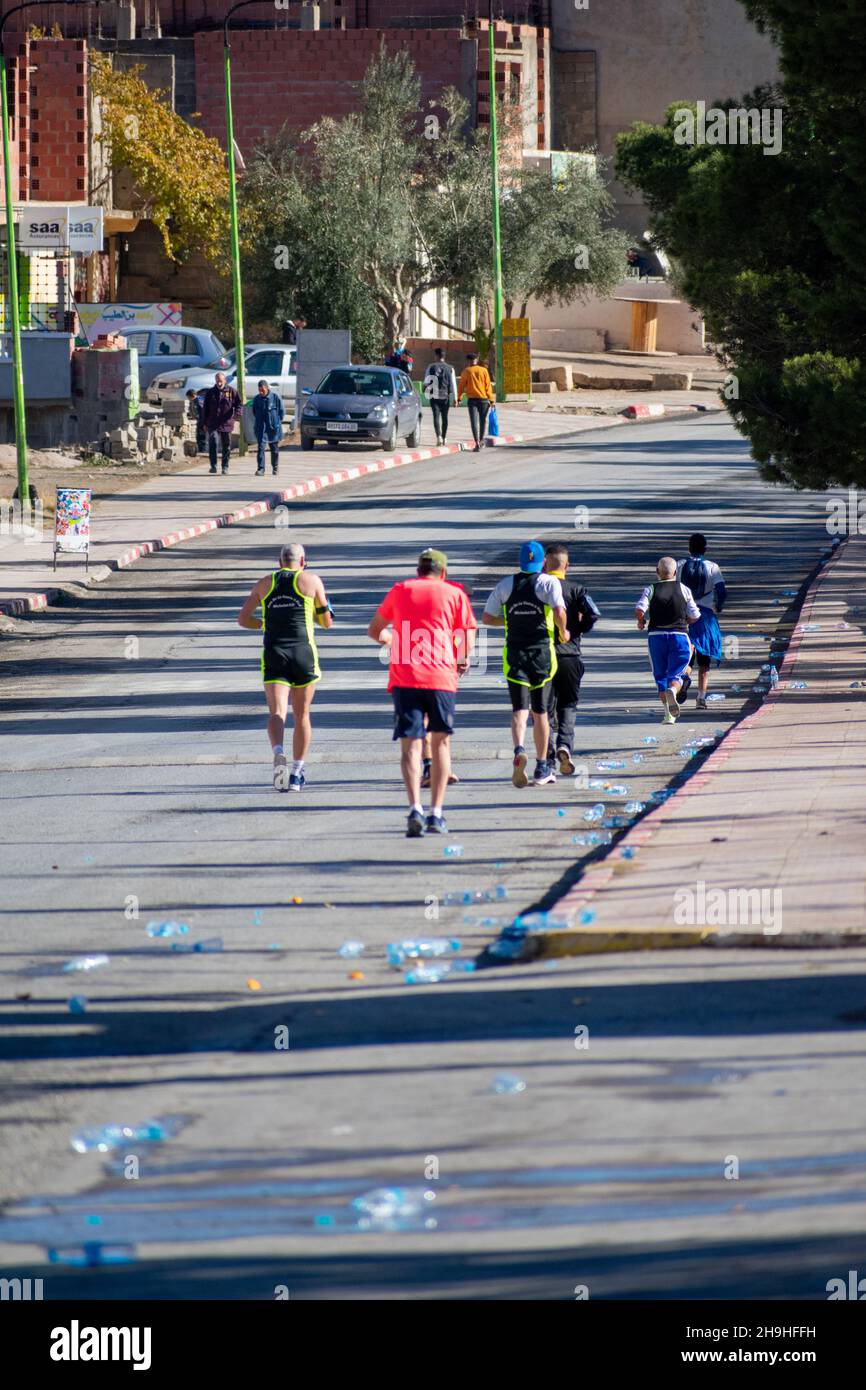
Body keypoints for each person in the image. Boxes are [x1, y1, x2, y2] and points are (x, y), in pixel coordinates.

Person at [368, 547, 476, 837]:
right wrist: (462, 659)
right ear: (443, 573)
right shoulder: (455, 594)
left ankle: (414, 807)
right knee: (441, 744)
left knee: (411, 746)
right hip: (442, 678)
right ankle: (436, 814)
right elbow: (467, 633)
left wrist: (393, 640)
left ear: (418, 571)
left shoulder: (400, 590)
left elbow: (375, 629)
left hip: (405, 678)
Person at [237, 542, 333, 790]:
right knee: (302, 715)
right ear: (302, 562)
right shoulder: (311, 581)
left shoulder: (264, 583)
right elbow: (326, 622)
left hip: (274, 653)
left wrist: (265, 624)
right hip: (303, 653)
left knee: (277, 712)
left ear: (279, 562)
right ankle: (297, 773)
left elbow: (243, 619)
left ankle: (278, 751)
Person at [482, 541, 569, 787]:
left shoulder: (505, 585)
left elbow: (487, 617)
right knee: (541, 712)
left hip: (514, 654)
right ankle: (542, 766)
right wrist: (564, 631)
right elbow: (560, 612)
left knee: (519, 709)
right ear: (542, 562)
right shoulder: (548, 582)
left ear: (519, 562)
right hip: (542, 653)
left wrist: (509, 622)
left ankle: (519, 748)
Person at [541, 542, 601, 776]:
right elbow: (594, 613)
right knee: (568, 704)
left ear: (545, 563)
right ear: (567, 565)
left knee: (543, 708)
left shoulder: (538, 588)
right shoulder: (577, 590)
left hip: (543, 655)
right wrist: (579, 628)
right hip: (570, 654)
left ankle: (546, 757)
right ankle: (564, 744)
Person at [635, 557, 701, 723]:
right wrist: (686, 621)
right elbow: (695, 615)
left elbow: (639, 608)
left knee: (660, 675)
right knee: (677, 673)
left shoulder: (651, 589)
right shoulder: (684, 589)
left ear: (657, 572)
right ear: (676, 573)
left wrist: (641, 621)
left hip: (656, 638)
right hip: (679, 636)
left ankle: (668, 714)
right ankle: (673, 689)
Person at [677, 533, 726, 710]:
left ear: (689, 548)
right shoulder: (713, 567)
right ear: (705, 549)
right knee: (704, 661)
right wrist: (718, 607)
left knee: (686, 656)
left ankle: (683, 678)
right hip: (705, 618)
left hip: (684, 617)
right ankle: (701, 698)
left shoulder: (680, 566)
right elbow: (722, 591)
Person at [202, 371, 242, 475]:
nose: (219, 383)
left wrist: (237, 414)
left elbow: (239, 405)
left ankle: (225, 466)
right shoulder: (210, 393)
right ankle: (213, 466)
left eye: (221, 381)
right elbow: (205, 409)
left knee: (226, 445)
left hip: (226, 423)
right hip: (213, 423)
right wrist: (204, 423)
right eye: (217, 381)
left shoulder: (232, 391)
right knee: (213, 442)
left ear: (224, 380)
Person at [457, 351, 495, 451]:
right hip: (483, 400)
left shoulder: (466, 371)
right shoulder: (484, 370)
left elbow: (461, 387)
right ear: (476, 360)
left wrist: (459, 398)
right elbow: (488, 386)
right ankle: (481, 440)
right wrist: (491, 400)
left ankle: (477, 442)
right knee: (482, 421)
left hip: (472, 400)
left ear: (468, 361)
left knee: (474, 422)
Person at [423, 347, 458, 446]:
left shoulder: (431, 367)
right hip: (445, 396)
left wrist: (425, 391)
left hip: (434, 396)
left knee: (436, 416)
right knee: (445, 417)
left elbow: (426, 382)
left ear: (437, 356)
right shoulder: (450, 368)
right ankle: (444, 437)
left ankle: (438, 436)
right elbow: (454, 384)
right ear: (444, 356)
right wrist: (455, 398)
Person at [252, 379, 284, 477]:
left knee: (274, 449)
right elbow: (254, 412)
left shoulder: (275, 398)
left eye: (263, 390)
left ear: (267, 388)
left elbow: (281, 413)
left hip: (273, 428)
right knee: (260, 448)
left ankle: (275, 467)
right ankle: (261, 469)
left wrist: (276, 423)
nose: (261, 392)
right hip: (261, 428)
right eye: (259, 390)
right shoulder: (257, 399)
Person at [186, 388, 207, 454]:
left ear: (191, 396)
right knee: (200, 435)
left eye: (188, 397)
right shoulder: (199, 399)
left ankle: (202, 450)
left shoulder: (198, 401)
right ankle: (201, 449)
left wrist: (201, 420)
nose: (188, 399)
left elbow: (203, 411)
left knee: (201, 435)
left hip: (202, 420)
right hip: (201, 420)